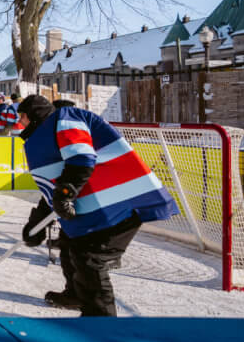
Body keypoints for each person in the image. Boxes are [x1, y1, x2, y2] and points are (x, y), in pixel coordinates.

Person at [17, 95, 178, 316]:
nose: (20, 123)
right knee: (69, 241)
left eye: (21, 117)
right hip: (96, 209)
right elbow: (53, 184)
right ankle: (75, 294)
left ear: (29, 115)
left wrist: (65, 193)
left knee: (90, 258)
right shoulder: (44, 136)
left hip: (117, 206)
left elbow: (82, 158)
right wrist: (36, 222)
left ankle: (101, 322)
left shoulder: (64, 119)